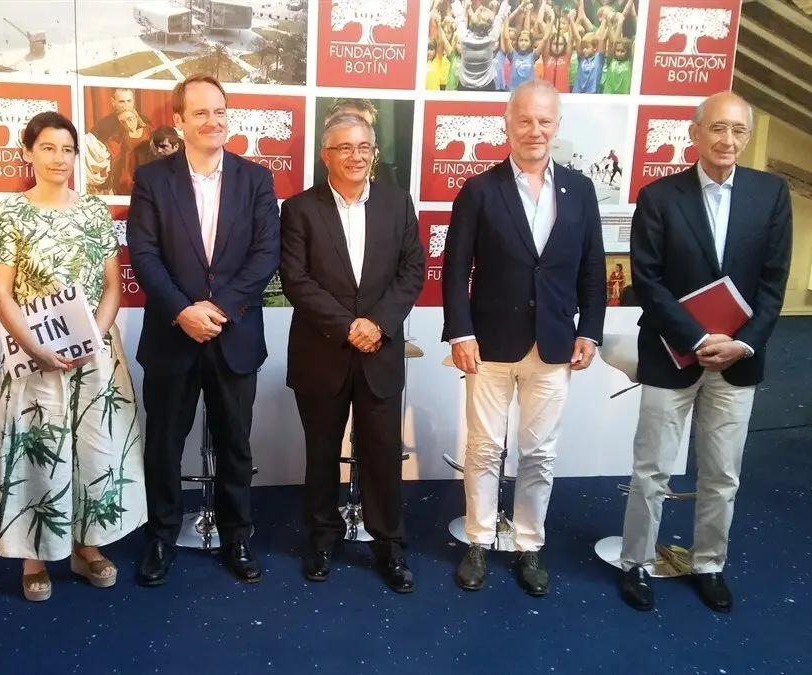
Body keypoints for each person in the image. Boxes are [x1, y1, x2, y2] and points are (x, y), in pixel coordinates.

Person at [617, 92, 792, 613]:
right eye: (717, 128)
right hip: (671, 354)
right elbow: (648, 280)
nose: (728, 140)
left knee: (722, 474)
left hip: (738, 359)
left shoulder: (771, 194)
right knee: (652, 469)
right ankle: (636, 562)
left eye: (739, 131)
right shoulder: (658, 196)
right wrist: (695, 338)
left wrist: (743, 342)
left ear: (748, 137)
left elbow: (773, 282)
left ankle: (709, 563)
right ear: (694, 134)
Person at [441, 78, 606, 595]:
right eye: (525, 120)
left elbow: (593, 268)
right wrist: (460, 332)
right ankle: (478, 539)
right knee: (484, 448)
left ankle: (529, 544)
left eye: (544, 120)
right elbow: (455, 269)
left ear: (557, 125)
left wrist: (591, 330)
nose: (535, 130)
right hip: (488, 344)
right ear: (507, 125)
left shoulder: (580, 190)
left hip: (554, 343)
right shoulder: (478, 190)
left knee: (539, 453)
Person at [0, 111, 145, 602]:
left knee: (96, 448)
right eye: (48, 148)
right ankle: (34, 557)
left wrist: (89, 339)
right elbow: (1, 293)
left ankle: (87, 545)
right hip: (34, 354)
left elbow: (113, 286)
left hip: (95, 353)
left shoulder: (95, 212)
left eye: (68, 149)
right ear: (28, 152)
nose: (59, 158)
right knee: (40, 447)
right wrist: (39, 347)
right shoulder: (10, 213)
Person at [127, 73, 280, 586]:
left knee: (235, 444)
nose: (213, 121)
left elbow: (266, 254)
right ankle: (161, 537)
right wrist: (182, 311)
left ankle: (238, 536)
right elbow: (144, 254)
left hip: (235, 336)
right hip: (172, 335)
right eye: (200, 113)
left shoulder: (255, 179)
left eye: (220, 111)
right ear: (179, 121)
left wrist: (219, 309)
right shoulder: (152, 179)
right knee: (163, 444)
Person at [279, 113, 425, 592]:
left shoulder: (398, 203)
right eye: (345, 147)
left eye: (364, 146)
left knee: (383, 454)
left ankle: (390, 546)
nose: (357, 156)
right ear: (326, 155)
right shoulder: (299, 209)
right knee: (321, 452)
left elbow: (412, 270)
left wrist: (377, 324)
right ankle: (323, 537)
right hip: (321, 353)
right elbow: (295, 279)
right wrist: (348, 327)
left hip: (379, 351)